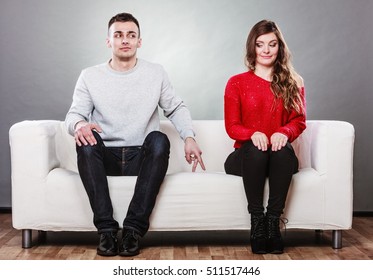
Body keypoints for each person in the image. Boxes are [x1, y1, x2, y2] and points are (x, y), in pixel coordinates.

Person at [65, 12, 205, 257]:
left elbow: (176, 107)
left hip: (140, 157)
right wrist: (79, 125)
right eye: (118, 35)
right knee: (85, 142)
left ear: (139, 41)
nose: (125, 40)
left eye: (131, 35)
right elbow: (74, 114)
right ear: (109, 41)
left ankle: (132, 230)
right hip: (104, 156)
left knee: (159, 139)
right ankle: (106, 231)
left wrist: (189, 137)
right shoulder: (90, 76)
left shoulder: (156, 72)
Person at [224, 20, 306, 254]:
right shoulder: (237, 82)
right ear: (253, 48)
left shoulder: (294, 81)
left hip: (279, 160)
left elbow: (299, 121)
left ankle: (273, 223)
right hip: (245, 157)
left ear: (280, 47)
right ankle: (257, 223)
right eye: (260, 45)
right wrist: (253, 134)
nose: (266, 50)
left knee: (281, 150)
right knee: (257, 149)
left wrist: (284, 131)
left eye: (272, 44)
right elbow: (232, 127)